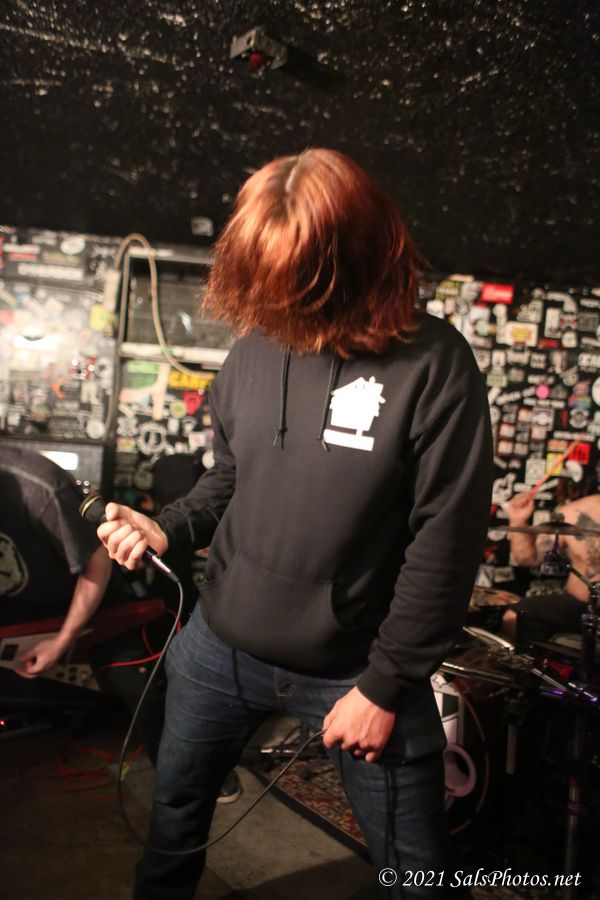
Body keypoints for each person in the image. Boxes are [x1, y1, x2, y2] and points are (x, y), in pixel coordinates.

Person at [98, 148, 493, 899]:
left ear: (358, 258)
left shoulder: (436, 364)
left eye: (299, 278)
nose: (279, 300)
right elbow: (231, 475)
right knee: (172, 829)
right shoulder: (254, 349)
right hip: (217, 651)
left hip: (357, 668)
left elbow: (447, 540)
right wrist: (167, 528)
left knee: (417, 875)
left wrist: (385, 687)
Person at [0, 445, 164, 763]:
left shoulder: (43, 489)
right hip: (21, 599)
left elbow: (96, 566)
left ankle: (186, 774)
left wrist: (62, 641)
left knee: (141, 689)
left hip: (84, 592)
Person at [504, 488, 600, 642]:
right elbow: (529, 559)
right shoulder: (572, 513)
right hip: (578, 605)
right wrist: (518, 521)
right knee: (514, 617)